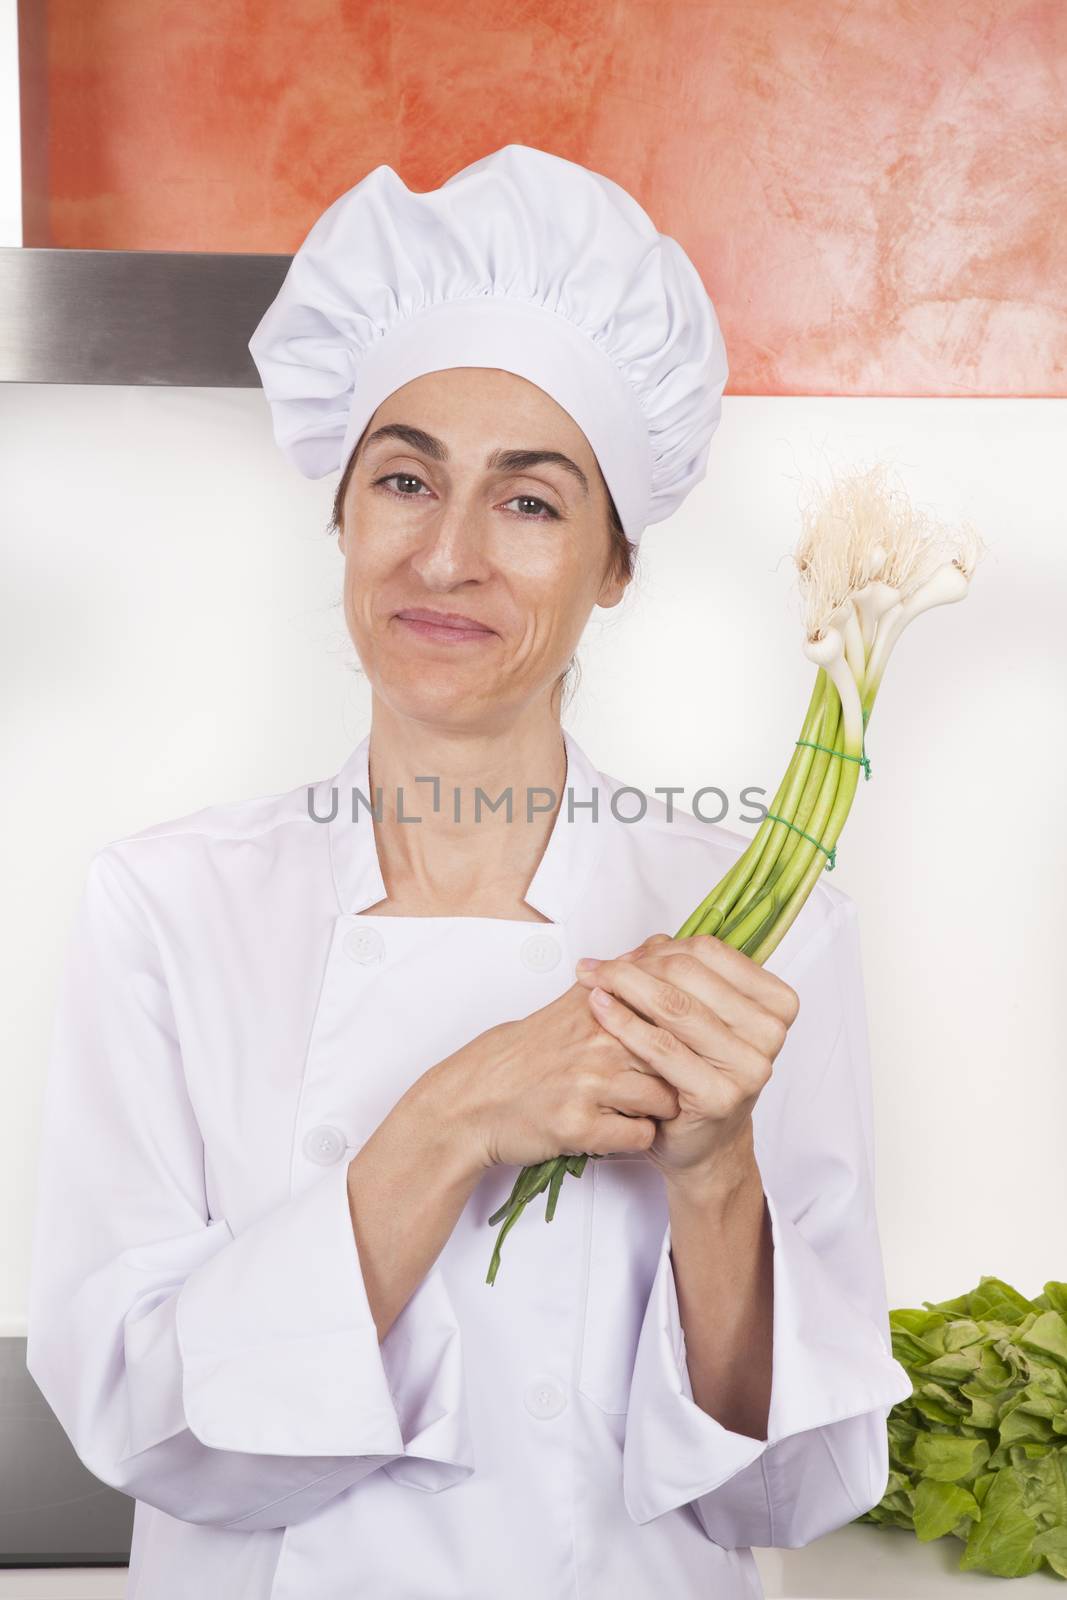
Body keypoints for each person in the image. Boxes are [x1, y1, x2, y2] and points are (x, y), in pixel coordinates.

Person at [25, 144, 912, 1600]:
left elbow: (779, 1491)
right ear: (341, 513)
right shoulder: (171, 907)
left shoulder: (758, 927)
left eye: (530, 502)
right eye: (403, 479)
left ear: (616, 564)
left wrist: (712, 1169)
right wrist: (454, 1115)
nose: (444, 558)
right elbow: (137, 1415)